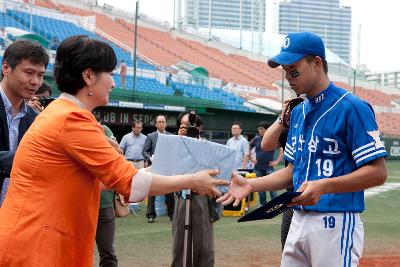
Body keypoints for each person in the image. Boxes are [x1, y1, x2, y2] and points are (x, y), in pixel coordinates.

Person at [0, 35, 228, 266]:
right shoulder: (71, 118)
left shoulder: (63, 113)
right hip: (35, 247)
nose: (114, 83)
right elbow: (130, 183)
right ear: (89, 76)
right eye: (110, 74)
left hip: (35, 242)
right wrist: (191, 180)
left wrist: (164, 169)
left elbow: (100, 180)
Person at [218, 32, 387, 266]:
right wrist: (251, 184)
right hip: (297, 219)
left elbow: (378, 173)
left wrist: (325, 185)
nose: (288, 77)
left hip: (334, 222)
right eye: (285, 71)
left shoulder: (352, 107)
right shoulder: (297, 112)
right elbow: (292, 172)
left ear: (316, 63)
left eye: (293, 69)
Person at [0, 40, 49, 207]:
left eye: (40, 75)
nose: (35, 81)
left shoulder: (35, 119)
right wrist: (30, 159)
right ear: (6, 68)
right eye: (29, 72)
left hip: (15, 219)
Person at [171, 112, 218, 267]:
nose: (187, 128)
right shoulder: (174, 143)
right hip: (181, 196)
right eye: (183, 125)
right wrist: (180, 141)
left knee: (204, 245)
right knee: (179, 245)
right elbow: (167, 167)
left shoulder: (207, 146)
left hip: (202, 197)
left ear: (199, 128)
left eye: (191, 126)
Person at [261, 97, 304, 250]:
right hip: (291, 198)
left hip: (317, 200)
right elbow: (266, 144)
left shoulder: (321, 128)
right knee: (288, 252)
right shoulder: (289, 129)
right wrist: (282, 117)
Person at [143, 114, 174, 223]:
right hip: (154, 167)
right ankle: (151, 215)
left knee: (169, 191)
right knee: (152, 191)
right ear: (156, 124)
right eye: (159, 122)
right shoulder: (150, 136)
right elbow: (144, 151)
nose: (161, 123)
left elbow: (174, 151)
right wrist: (150, 158)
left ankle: (172, 214)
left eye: (163, 121)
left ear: (166, 123)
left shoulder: (171, 136)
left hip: (167, 167)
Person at [249, 121, 283, 205]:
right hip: (258, 168)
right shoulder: (256, 139)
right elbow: (249, 147)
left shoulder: (272, 138)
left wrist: (277, 161)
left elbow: (281, 149)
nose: (260, 131)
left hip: (269, 167)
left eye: (261, 129)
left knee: (272, 187)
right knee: (260, 188)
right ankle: (263, 204)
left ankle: (275, 205)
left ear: (267, 129)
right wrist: (251, 158)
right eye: (259, 129)